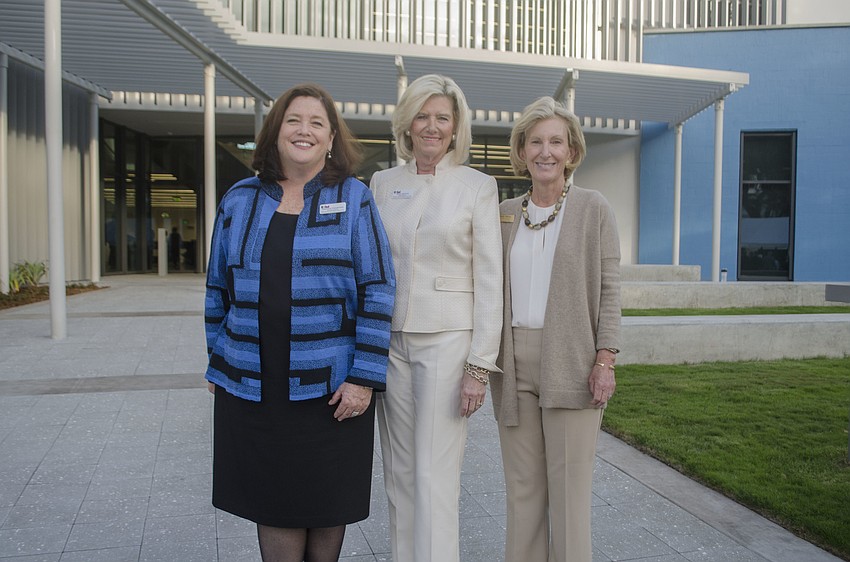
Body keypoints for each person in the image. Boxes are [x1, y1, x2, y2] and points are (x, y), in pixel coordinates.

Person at [204, 83, 395, 562]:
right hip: (255, 387)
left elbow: (378, 287)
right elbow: (216, 290)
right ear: (275, 131)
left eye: (316, 122)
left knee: (326, 508)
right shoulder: (239, 199)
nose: (303, 130)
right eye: (293, 120)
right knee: (275, 507)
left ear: (331, 139)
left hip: (331, 389)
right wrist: (219, 360)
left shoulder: (354, 198)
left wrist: (363, 378)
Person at [370, 74, 503, 562]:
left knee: (434, 475)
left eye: (441, 118)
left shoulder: (477, 186)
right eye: (422, 116)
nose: (431, 126)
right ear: (407, 123)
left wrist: (478, 366)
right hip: (389, 344)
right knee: (399, 474)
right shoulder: (382, 183)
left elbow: (491, 281)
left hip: (448, 342)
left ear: (455, 127)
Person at [492, 96, 621, 562]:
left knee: (569, 497)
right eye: (535, 142)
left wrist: (605, 358)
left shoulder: (592, 207)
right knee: (522, 494)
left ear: (572, 151)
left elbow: (610, 288)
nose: (545, 151)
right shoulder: (505, 211)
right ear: (522, 151)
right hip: (513, 365)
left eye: (556, 142)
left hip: (572, 359)